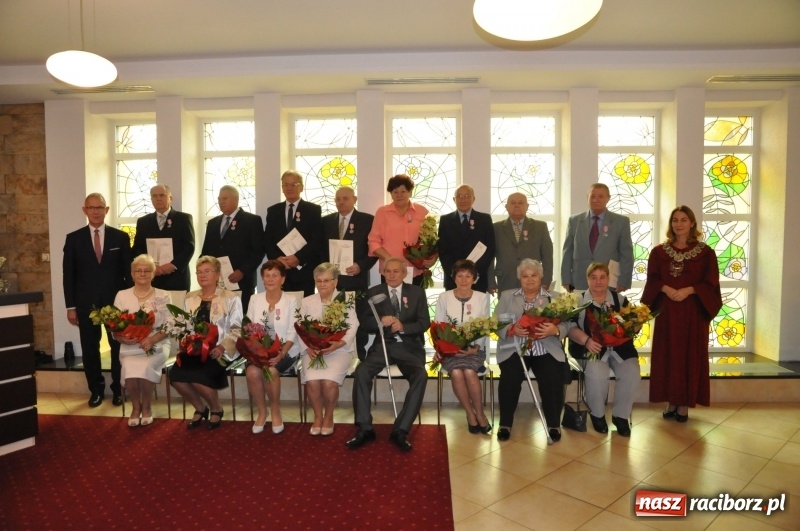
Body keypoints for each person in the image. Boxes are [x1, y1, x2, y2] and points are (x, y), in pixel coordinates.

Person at [641, 206, 721, 422]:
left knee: (689, 356)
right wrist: (666, 289)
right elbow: (653, 279)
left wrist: (689, 290)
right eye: (675, 220)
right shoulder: (658, 252)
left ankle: (684, 404)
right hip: (668, 312)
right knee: (668, 355)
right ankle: (671, 402)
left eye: (683, 220)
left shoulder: (706, 253)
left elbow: (711, 283)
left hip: (693, 313)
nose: (679, 224)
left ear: (692, 223)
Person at [347, 257, 431, 452]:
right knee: (361, 373)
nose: (392, 275)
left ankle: (401, 430)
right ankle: (365, 428)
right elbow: (365, 323)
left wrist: (404, 326)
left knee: (421, 375)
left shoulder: (417, 293)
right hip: (382, 346)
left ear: (404, 273)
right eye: (388, 271)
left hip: (409, 347)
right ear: (383, 273)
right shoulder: (373, 293)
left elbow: (424, 323)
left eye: (396, 271)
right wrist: (379, 323)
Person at [494, 258, 575, 442]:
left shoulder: (554, 297)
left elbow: (568, 324)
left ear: (541, 277)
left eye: (534, 275)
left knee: (551, 377)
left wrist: (555, 330)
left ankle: (553, 424)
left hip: (545, 348)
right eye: (525, 276)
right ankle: (505, 423)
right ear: (519, 278)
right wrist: (511, 329)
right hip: (515, 348)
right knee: (510, 378)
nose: (530, 280)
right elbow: (497, 322)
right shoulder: (507, 296)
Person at [63, 193, 132, 407]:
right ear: (84, 210)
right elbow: (69, 276)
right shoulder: (73, 239)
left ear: (107, 209)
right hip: (85, 305)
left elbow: (127, 274)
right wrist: (71, 307)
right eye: (91, 207)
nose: (95, 211)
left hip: (116, 305)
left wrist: (129, 303)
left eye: (99, 207)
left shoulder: (120, 237)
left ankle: (118, 390)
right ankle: (96, 390)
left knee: (118, 348)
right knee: (90, 348)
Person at [169, 256, 243, 430]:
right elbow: (184, 325)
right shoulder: (190, 297)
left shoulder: (230, 297)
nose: (202, 275)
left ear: (217, 274)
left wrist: (222, 346)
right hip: (194, 350)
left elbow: (237, 328)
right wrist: (185, 341)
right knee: (176, 377)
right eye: (199, 272)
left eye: (207, 271)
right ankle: (200, 408)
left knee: (198, 377)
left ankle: (216, 409)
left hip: (220, 350)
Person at [567, 262, 640, 437]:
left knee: (632, 372)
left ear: (608, 279)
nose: (598, 282)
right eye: (593, 277)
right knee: (597, 372)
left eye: (602, 277)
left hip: (620, 348)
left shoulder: (620, 300)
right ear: (587, 280)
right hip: (590, 348)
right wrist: (586, 341)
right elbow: (569, 327)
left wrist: (635, 326)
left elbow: (633, 324)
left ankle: (620, 417)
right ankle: (597, 415)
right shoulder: (577, 301)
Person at [298, 263, 358, 436]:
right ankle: (318, 416)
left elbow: (353, 325)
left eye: (326, 280)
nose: (322, 284)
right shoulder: (307, 301)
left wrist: (339, 343)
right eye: (319, 281)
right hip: (313, 350)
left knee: (328, 382)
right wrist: (308, 348)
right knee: (312, 380)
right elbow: (300, 327)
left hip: (339, 350)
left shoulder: (345, 300)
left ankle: (329, 416)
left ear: (335, 281)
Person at [433, 259, 492, 434]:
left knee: (469, 371)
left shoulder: (483, 297)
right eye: (460, 275)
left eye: (468, 276)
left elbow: (485, 326)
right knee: (457, 372)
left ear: (475, 278)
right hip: (449, 350)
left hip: (475, 349)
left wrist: (474, 348)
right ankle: (470, 414)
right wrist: (444, 349)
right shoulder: (444, 297)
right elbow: (438, 326)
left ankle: (480, 414)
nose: (464, 280)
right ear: (454, 278)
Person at [112, 254, 171, 427]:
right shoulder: (122, 295)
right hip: (129, 345)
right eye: (138, 270)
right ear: (132, 274)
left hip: (157, 343)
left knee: (144, 366)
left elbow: (170, 325)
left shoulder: (163, 295)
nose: (142, 274)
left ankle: (146, 407)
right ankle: (135, 408)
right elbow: (114, 325)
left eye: (147, 270)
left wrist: (152, 339)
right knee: (130, 367)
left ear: (153, 274)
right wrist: (120, 336)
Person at [321, 186, 377, 360]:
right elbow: (320, 250)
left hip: (356, 281)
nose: (341, 202)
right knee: (333, 321)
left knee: (357, 320)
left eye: (345, 198)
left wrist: (361, 266)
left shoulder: (367, 220)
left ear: (355, 199)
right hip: (331, 283)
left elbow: (373, 250)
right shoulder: (326, 221)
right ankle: (334, 356)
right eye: (338, 199)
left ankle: (359, 357)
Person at [244, 260, 298, 435]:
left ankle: (275, 410)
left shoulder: (291, 300)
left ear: (283, 279)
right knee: (252, 372)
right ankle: (262, 412)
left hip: (286, 351)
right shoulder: (255, 299)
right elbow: (249, 328)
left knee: (271, 371)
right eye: (266, 275)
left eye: (275, 275)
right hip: (259, 351)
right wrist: (257, 350)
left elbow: (293, 331)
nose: (270, 279)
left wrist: (281, 353)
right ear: (262, 278)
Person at [200, 185, 264, 313]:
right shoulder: (213, 223)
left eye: (225, 198)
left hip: (241, 281)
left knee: (240, 320)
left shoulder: (252, 220)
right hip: (217, 283)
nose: (221, 202)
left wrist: (242, 271)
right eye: (219, 199)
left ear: (236, 199)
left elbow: (258, 251)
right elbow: (206, 252)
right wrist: (205, 271)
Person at [561, 183, 634, 293]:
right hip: (579, 281)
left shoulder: (621, 222)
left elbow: (626, 254)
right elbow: (567, 251)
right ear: (587, 197)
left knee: (607, 310)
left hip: (608, 281)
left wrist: (624, 280)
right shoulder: (574, 221)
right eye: (593, 196)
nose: (596, 200)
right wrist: (566, 279)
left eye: (600, 196)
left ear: (608, 198)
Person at [368, 174, 436, 287]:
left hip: (416, 270)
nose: (399, 195)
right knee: (391, 303)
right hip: (390, 272)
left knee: (415, 303)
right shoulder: (382, 212)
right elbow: (373, 242)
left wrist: (433, 257)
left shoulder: (422, 211)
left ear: (410, 192)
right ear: (391, 193)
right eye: (395, 192)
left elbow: (432, 240)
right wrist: (391, 260)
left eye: (403, 191)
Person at [264, 170, 323, 296]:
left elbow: (317, 240)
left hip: (304, 271)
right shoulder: (273, 211)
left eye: (294, 185)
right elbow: (268, 240)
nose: (289, 188)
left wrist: (298, 258)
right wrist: (277, 260)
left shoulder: (313, 210)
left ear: (301, 187)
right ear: (282, 188)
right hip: (279, 271)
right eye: (286, 185)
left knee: (303, 312)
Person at [131, 184, 195, 291]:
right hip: (151, 278)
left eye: (162, 195)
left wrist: (173, 265)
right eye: (154, 196)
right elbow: (138, 248)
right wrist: (148, 266)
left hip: (177, 278)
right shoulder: (143, 222)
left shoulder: (183, 219)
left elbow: (189, 246)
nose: (158, 198)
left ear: (170, 198)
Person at [490, 193, 553, 294]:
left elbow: (547, 257)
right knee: (506, 309)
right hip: (505, 280)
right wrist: (491, 281)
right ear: (506, 207)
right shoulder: (496, 228)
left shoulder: (540, 227)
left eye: (520, 203)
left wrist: (546, 281)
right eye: (513, 203)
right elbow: (490, 257)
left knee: (534, 310)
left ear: (527, 206)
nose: (516, 205)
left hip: (533, 281)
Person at [437, 185, 495, 293]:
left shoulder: (485, 219)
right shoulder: (445, 220)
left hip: (477, 279)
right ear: (454, 199)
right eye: (459, 196)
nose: (463, 199)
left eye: (467, 196)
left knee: (477, 310)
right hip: (453, 280)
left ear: (473, 199)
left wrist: (475, 274)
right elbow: (442, 250)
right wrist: (454, 274)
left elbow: (490, 249)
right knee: (453, 309)